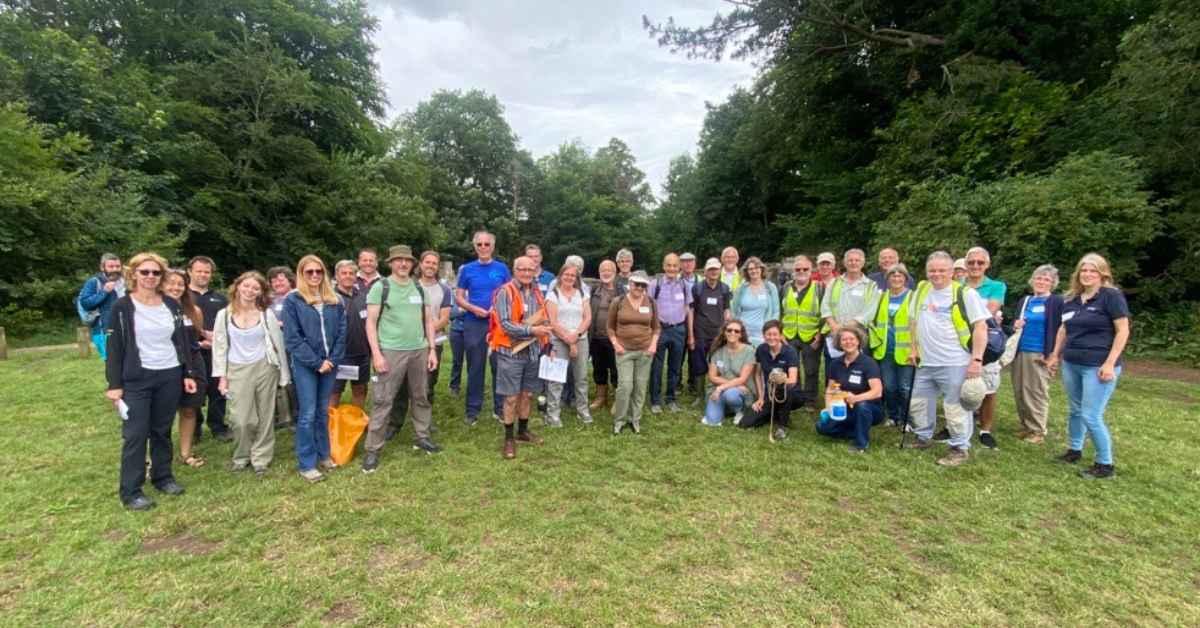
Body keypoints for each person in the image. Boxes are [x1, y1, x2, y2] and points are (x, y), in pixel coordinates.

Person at [104, 252, 199, 511]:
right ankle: (131, 491)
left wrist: (187, 374)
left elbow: (181, 341)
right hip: (137, 377)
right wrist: (114, 385)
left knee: (161, 429)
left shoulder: (171, 304)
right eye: (144, 272)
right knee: (136, 434)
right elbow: (114, 348)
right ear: (133, 274)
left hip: (169, 373)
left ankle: (163, 477)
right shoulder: (122, 307)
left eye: (155, 273)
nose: (150, 277)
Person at [1045, 254, 1130, 480]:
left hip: (1098, 364)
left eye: (1093, 271)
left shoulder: (1111, 297)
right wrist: (1055, 355)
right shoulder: (1072, 299)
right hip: (1072, 362)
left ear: (1103, 274)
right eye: (1084, 270)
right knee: (1075, 410)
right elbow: (1064, 329)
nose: (1088, 275)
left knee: (1091, 415)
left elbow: (1123, 330)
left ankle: (1105, 464)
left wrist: (1110, 363)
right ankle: (1074, 450)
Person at [905, 251, 990, 467]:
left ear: (952, 272)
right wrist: (913, 348)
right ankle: (923, 437)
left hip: (955, 362)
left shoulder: (965, 293)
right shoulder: (921, 291)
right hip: (926, 361)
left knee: (955, 408)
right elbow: (913, 321)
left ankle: (960, 447)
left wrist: (976, 360)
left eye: (942, 270)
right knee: (919, 403)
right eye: (932, 270)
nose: (937, 274)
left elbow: (981, 326)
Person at [361, 246, 442, 472]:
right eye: (398, 261)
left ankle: (422, 437)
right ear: (391, 263)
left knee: (421, 395)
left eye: (407, 260)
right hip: (391, 350)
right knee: (383, 400)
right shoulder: (381, 287)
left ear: (412, 263)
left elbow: (428, 321)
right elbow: (370, 323)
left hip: (419, 350)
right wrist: (377, 354)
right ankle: (373, 450)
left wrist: (432, 350)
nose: (403, 264)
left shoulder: (419, 287)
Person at [212, 271, 289, 476]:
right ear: (237, 287)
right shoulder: (224, 315)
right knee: (241, 419)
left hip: (265, 367)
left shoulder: (266, 314)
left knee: (265, 415)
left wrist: (283, 374)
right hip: (236, 369)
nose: (250, 291)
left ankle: (261, 458)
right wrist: (222, 376)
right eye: (246, 286)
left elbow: (278, 345)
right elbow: (219, 347)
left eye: (255, 288)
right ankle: (241, 456)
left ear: (261, 292)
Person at [282, 255, 346, 483]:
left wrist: (332, 359)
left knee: (322, 411)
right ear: (301, 274)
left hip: (330, 363)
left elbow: (341, 332)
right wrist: (316, 362)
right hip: (306, 365)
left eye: (318, 271)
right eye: (309, 272)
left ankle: (324, 454)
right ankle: (307, 463)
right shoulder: (293, 300)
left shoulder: (334, 300)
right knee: (307, 414)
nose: (315, 276)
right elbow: (292, 338)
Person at [490, 256, 552, 459]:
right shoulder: (505, 292)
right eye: (522, 269)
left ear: (535, 270)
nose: (526, 273)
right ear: (514, 270)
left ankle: (523, 432)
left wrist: (545, 337)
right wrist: (533, 330)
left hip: (532, 352)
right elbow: (505, 324)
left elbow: (543, 317)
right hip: (510, 353)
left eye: (530, 269)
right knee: (510, 397)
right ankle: (508, 438)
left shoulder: (537, 292)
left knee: (527, 395)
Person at [391, 250, 453, 434]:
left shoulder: (444, 290)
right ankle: (395, 423)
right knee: (401, 384)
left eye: (434, 263)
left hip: (434, 343)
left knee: (427, 384)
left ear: (438, 267)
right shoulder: (409, 285)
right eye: (427, 262)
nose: (430, 266)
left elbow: (444, 319)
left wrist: (425, 329)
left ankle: (425, 421)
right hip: (407, 343)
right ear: (420, 264)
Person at [456, 230, 512, 425]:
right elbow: (459, 297)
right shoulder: (467, 269)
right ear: (475, 246)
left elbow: (510, 293)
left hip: (498, 324)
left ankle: (499, 408)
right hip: (474, 322)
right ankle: (473, 410)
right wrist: (473, 308)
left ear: (493, 246)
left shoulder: (502, 268)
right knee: (475, 366)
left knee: (500, 366)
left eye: (486, 244)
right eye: (479, 244)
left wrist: (498, 309)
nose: (483, 248)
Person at [1010, 265, 1064, 445]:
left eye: (1046, 279)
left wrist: (1053, 355)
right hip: (1020, 351)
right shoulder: (1025, 301)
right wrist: (1015, 325)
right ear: (1032, 280)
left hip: (1040, 353)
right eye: (1039, 278)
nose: (1041, 282)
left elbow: (1062, 330)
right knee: (1020, 390)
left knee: (1036, 391)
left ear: (1053, 284)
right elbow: (1015, 325)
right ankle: (1026, 425)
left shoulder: (1056, 302)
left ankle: (1038, 430)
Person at [962, 246, 1007, 449]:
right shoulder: (957, 285)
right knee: (957, 386)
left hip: (987, 345)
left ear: (987, 265)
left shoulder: (996, 286)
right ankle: (960, 424)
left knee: (988, 388)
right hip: (960, 343)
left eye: (980, 262)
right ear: (965, 264)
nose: (975, 266)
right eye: (971, 262)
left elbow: (989, 311)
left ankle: (985, 429)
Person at [161, 269, 207, 469]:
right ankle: (156, 456)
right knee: (162, 413)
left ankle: (185, 452)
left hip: (194, 365)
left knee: (189, 409)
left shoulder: (194, 311)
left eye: (180, 284)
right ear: (162, 284)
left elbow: (198, 338)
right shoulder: (154, 310)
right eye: (171, 283)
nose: (175, 287)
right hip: (166, 364)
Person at [816, 324, 884, 452]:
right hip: (843, 409)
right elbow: (830, 390)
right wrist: (828, 408)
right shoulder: (835, 364)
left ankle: (861, 444)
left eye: (852, 339)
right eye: (844, 340)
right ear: (839, 343)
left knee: (862, 405)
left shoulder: (869, 363)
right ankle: (855, 430)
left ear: (858, 341)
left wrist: (856, 398)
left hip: (870, 409)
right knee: (822, 427)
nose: (848, 342)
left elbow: (877, 391)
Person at [608, 271, 660, 434]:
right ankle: (620, 420)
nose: (639, 288)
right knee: (625, 386)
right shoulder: (619, 301)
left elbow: (657, 327)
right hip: (624, 351)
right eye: (636, 284)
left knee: (640, 386)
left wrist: (653, 345)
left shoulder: (651, 302)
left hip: (645, 351)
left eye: (643, 285)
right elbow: (610, 327)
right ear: (629, 284)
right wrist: (616, 344)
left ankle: (634, 419)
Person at [188, 256, 232, 443]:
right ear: (190, 271)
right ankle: (194, 428)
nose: (203, 275)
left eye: (207, 272)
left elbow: (229, 323)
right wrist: (198, 341)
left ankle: (218, 426)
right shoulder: (183, 295)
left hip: (217, 352)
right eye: (199, 271)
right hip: (192, 351)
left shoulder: (220, 298)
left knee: (217, 391)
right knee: (194, 391)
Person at [545, 262, 592, 426]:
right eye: (567, 274)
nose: (569, 278)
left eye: (573, 275)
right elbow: (553, 321)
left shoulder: (582, 294)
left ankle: (583, 410)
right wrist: (568, 339)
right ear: (561, 275)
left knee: (581, 377)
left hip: (581, 339)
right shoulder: (553, 295)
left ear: (577, 278)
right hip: (559, 340)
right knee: (556, 379)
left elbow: (587, 318)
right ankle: (552, 414)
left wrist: (576, 335)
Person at [868, 264, 915, 426]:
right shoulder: (881, 297)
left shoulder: (912, 297)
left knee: (905, 388)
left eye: (900, 276)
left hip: (906, 351)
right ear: (887, 279)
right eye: (892, 276)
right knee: (889, 387)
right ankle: (893, 416)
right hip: (884, 350)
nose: (896, 279)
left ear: (905, 279)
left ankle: (906, 419)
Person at [738, 320, 800, 439]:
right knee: (745, 423)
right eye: (768, 334)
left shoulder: (790, 352)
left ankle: (783, 425)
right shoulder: (761, 349)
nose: (772, 337)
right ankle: (774, 412)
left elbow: (793, 380)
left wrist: (781, 379)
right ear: (764, 335)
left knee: (787, 389)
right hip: (769, 395)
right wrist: (761, 398)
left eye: (775, 334)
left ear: (781, 335)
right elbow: (757, 375)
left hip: (789, 393)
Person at [648, 253, 694, 414]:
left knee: (675, 367)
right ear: (663, 266)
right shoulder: (655, 285)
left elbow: (688, 310)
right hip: (660, 330)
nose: (672, 268)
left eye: (675, 265)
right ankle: (655, 400)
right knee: (657, 366)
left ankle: (671, 399)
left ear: (679, 267)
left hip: (679, 330)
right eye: (669, 265)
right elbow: (648, 309)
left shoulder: (684, 285)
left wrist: (690, 334)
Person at [779, 255, 823, 406]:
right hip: (789, 335)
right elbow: (780, 311)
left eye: (805, 269)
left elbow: (825, 312)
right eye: (798, 269)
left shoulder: (819, 288)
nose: (801, 271)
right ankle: (795, 397)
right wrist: (780, 332)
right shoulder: (785, 288)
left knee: (811, 369)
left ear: (811, 270)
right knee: (792, 367)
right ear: (793, 271)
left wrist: (820, 334)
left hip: (811, 336)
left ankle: (810, 399)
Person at [700, 319, 756, 427]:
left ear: (741, 334)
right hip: (722, 389)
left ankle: (741, 410)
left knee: (730, 395)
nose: (732, 333)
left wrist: (721, 388)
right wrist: (734, 384)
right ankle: (727, 409)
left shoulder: (749, 351)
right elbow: (712, 377)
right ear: (724, 332)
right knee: (712, 421)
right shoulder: (717, 351)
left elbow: (743, 379)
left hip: (738, 392)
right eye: (729, 330)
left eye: (736, 331)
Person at [691, 258, 733, 399]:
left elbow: (726, 308)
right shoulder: (697, 288)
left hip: (718, 333)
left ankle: (718, 390)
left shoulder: (725, 288)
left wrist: (728, 321)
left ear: (720, 270)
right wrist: (691, 334)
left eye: (716, 269)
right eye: (711, 269)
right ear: (705, 272)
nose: (714, 272)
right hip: (701, 332)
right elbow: (692, 310)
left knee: (718, 363)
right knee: (699, 363)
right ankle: (699, 395)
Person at [330, 260, 369, 409]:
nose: (348, 276)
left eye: (351, 273)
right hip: (340, 356)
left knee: (360, 390)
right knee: (334, 393)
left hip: (361, 354)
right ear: (337, 276)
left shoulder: (363, 296)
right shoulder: (330, 298)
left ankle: (355, 426)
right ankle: (330, 429)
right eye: (344, 273)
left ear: (356, 276)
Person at [266, 266, 298, 430]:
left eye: (281, 279)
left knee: (293, 380)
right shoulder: (269, 300)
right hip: (273, 347)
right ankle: (280, 416)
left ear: (289, 280)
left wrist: (280, 324)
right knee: (277, 381)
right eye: (273, 280)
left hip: (292, 346)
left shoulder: (297, 296)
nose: (277, 282)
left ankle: (296, 416)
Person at [589, 260, 623, 410]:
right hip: (596, 337)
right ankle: (600, 397)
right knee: (599, 368)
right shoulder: (593, 291)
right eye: (603, 270)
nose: (606, 272)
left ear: (615, 273)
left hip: (615, 338)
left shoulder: (621, 292)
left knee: (616, 369)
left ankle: (617, 398)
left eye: (609, 270)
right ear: (599, 272)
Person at [77, 253, 126, 360]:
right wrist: (104, 291)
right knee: (112, 363)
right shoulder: (94, 282)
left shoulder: (125, 282)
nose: (115, 269)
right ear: (102, 267)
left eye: (117, 266)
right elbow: (85, 303)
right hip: (104, 330)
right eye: (111, 266)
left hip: (126, 329)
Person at [731, 256, 780, 346]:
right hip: (743, 334)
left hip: (763, 335)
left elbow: (776, 311)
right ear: (747, 272)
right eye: (750, 269)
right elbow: (734, 310)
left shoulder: (770, 287)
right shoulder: (741, 288)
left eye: (756, 268)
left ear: (761, 269)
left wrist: (771, 331)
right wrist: (736, 329)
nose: (754, 271)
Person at [448, 296, 466, 395]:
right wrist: (464, 309)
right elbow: (451, 314)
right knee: (457, 360)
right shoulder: (455, 295)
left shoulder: (478, 292)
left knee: (475, 362)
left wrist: (461, 309)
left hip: (473, 331)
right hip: (456, 331)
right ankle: (454, 385)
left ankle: (473, 386)